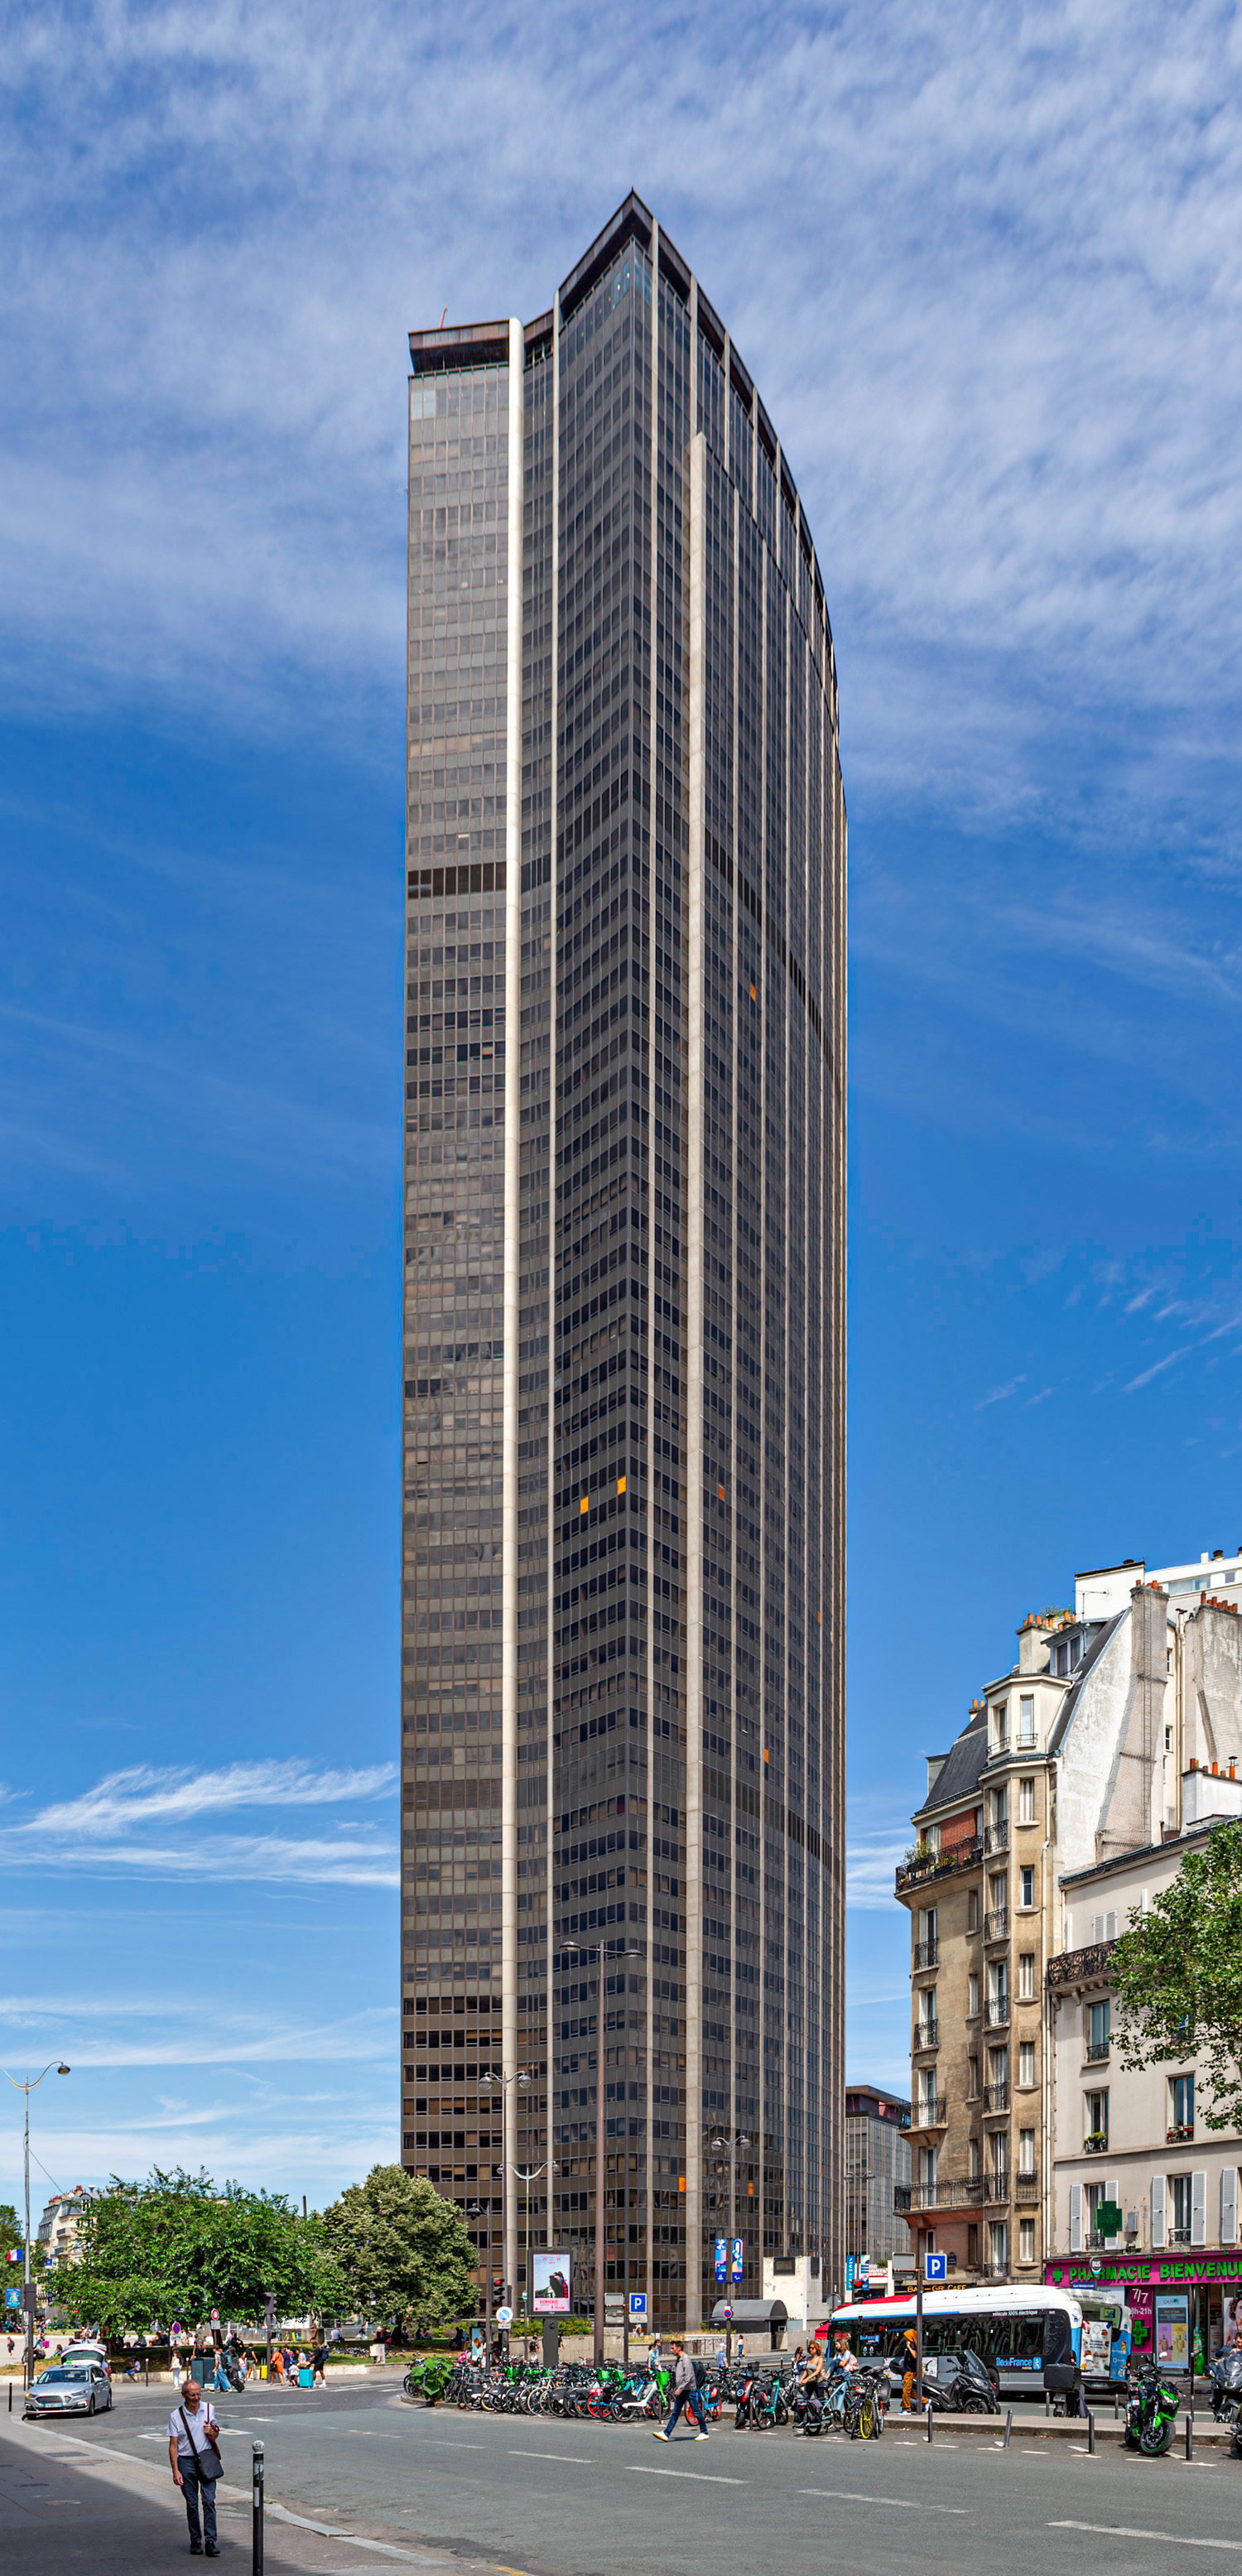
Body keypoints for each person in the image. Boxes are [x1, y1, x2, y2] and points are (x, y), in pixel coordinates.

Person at [167, 2377, 222, 2558]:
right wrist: (175, 2470)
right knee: (192, 2503)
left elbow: (215, 2434)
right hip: (186, 2461)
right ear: (184, 2395)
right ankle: (196, 2540)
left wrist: (212, 2432)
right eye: (193, 2395)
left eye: (199, 2394)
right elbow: (173, 2446)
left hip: (206, 2458)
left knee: (209, 2501)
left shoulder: (208, 2409)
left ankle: (211, 2540)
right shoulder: (176, 2416)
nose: (197, 2398)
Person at [652, 2340, 709, 2443]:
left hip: (689, 2390)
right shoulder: (679, 2359)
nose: (671, 2350)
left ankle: (704, 2432)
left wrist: (679, 2389)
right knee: (675, 2412)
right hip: (682, 2390)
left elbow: (689, 2376)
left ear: (679, 2348)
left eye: (673, 2348)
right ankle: (666, 2433)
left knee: (696, 2411)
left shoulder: (685, 2359)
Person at [901, 2324, 918, 2414]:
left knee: (906, 2391)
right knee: (910, 2391)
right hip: (908, 2370)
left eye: (906, 2336)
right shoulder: (910, 2344)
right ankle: (925, 2401)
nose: (905, 2338)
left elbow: (915, 2355)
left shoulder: (911, 2345)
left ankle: (907, 2409)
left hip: (910, 2370)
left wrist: (908, 2347)